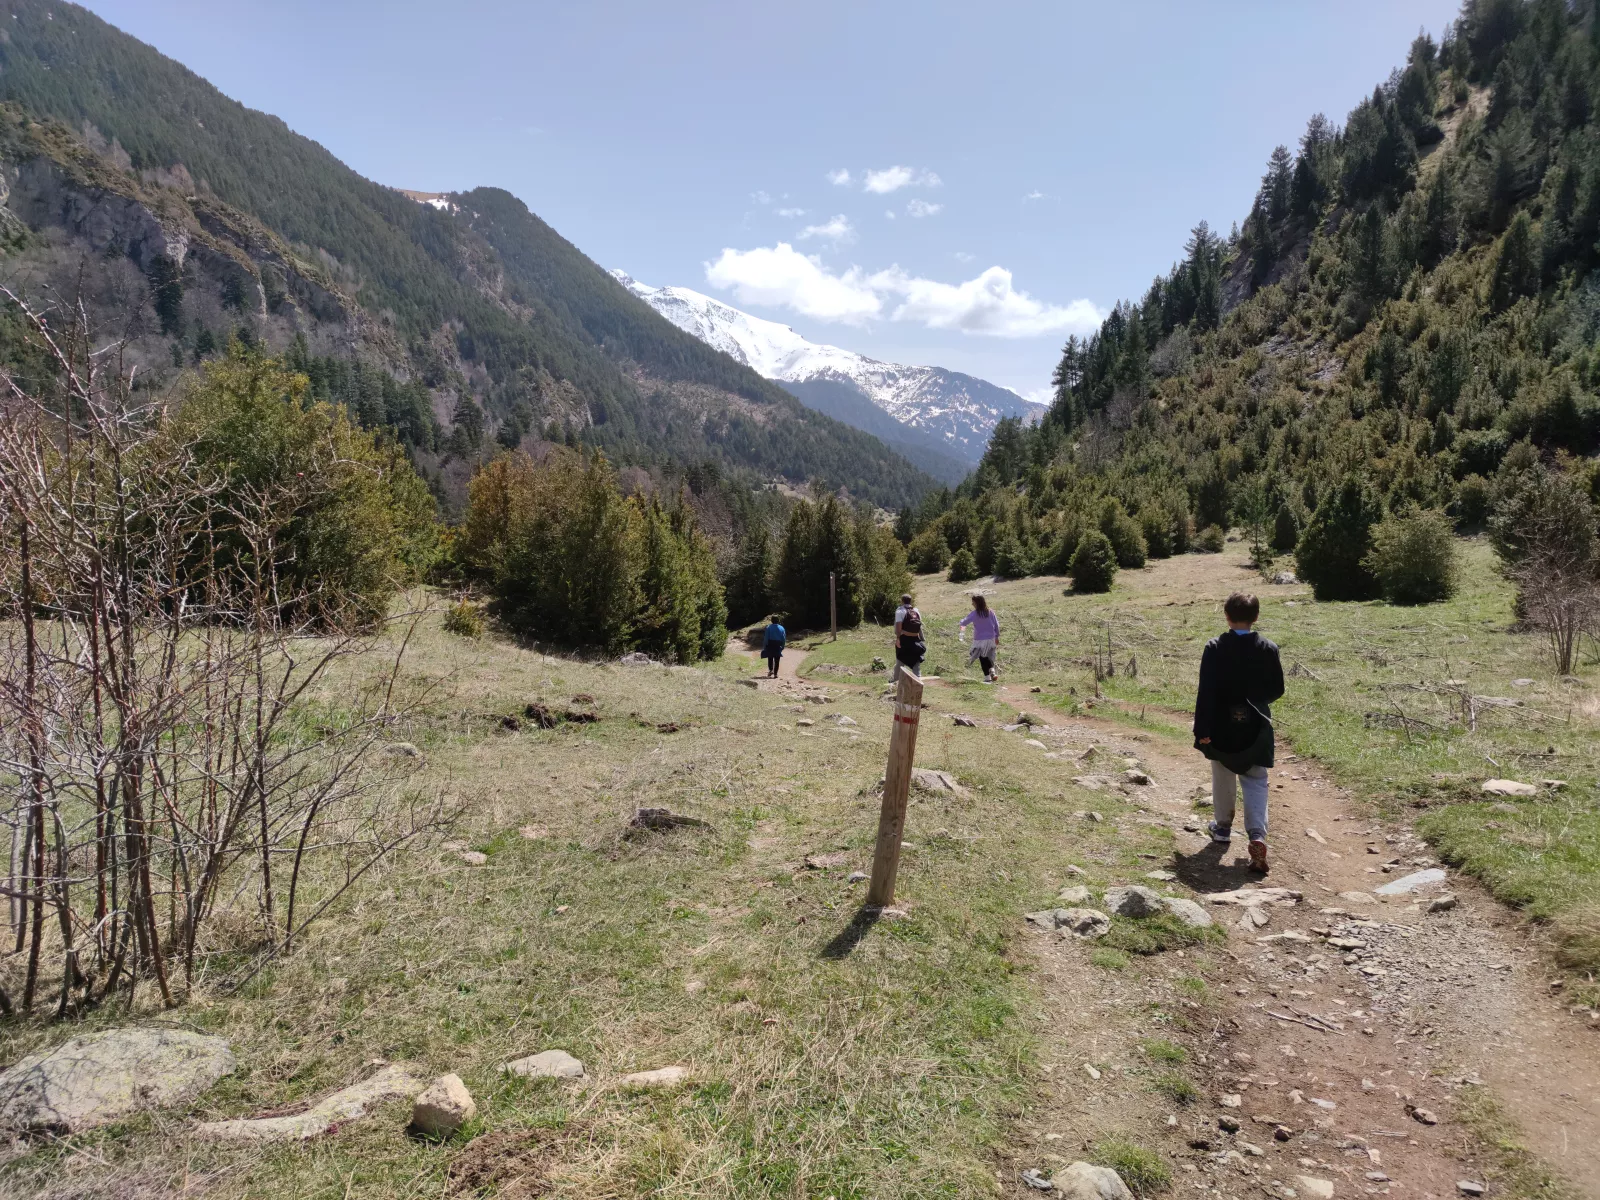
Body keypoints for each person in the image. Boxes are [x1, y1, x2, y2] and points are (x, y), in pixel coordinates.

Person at [1193, 591, 1285, 874]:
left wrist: (1202, 729)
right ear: (1256, 617)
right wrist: (1257, 700)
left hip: (1220, 724)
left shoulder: (1214, 647)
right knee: (1256, 779)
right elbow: (1277, 689)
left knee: (1222, 774)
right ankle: (1257, 835)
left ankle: (1222, 828)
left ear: (1226, 616)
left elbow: (1206, 691)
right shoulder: (1268, 648)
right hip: (1256, 724)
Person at [957, 592, 1000, 682]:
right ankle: (992, 671)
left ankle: (987, 677)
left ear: (977, 603)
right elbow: (996, 625)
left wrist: (960, 622)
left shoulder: (975, 613)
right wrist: (997, 637)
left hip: (980, 639)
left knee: (982, 657)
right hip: (991, 638)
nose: (972, 604)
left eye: (973, 602)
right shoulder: (990, 612)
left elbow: (964, 622)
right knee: (988, 656)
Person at [891, 592, 924, 682]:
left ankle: (895, 680)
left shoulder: (900, 611)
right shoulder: (916, 611)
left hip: (904, 638)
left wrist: (898, 638)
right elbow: (919, 626)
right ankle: (918, 679)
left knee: (900, 659)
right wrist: (921, 638)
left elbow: (898, 627)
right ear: (910, 601)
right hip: (915, 639)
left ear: (902, 601)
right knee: (916, 660)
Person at [761, 614, 786, 678]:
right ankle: (775, 674)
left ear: (771, 620)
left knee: (770, 658)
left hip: (770, 644)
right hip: (778, 645)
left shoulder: (768, 627)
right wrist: (783, 646)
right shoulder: (782, 628)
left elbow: (766, 638)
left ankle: (770, 670)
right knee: (777, 660)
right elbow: (783, 638)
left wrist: (764, 646)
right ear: (778, 620)